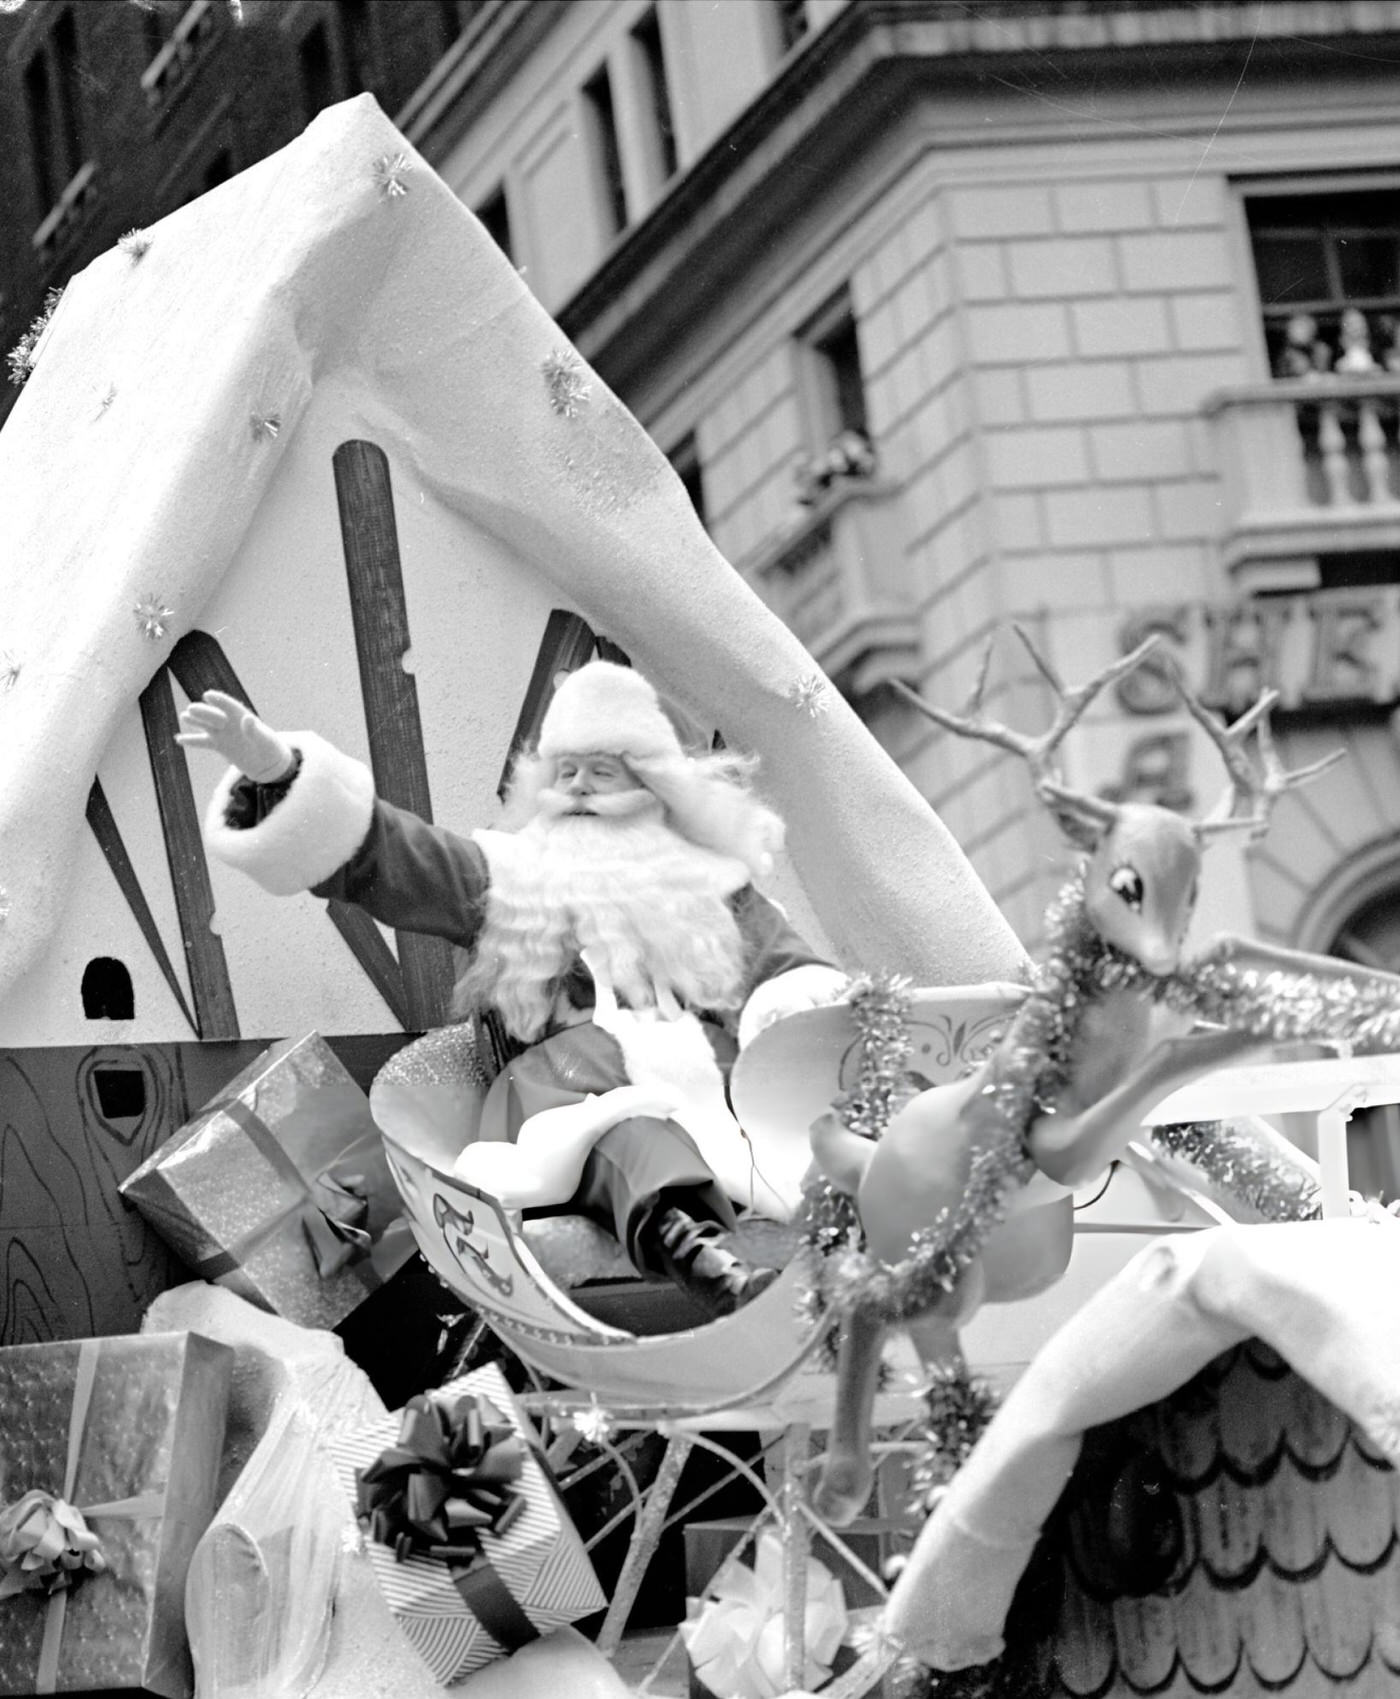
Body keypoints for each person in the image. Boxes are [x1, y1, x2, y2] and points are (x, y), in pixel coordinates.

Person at [178, 661, 846, 1318]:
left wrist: (807, 1022)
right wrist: (281, 776)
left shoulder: (716, 890)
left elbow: (791, 981)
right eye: (566, 771)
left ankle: (819, 1266)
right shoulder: (515, 878)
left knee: (788, 1129)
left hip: (713, 1102)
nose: (578, 788)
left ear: (656, 788)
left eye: (602, 772)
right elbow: (398, 855)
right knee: (628, 1132)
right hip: (567, 1101)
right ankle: (711, 1263)